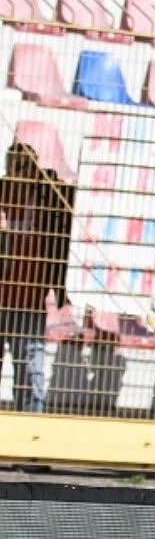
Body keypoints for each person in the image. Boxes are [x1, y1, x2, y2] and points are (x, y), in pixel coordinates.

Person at [0, 140, 72, 414]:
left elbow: (67, 199)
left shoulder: (45, 197)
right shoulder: (2, 190)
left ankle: (31, 442)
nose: (20, 169)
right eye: (15, 163)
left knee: (31, 375)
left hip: (29, 302)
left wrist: (41, 176)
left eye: (26, 163)